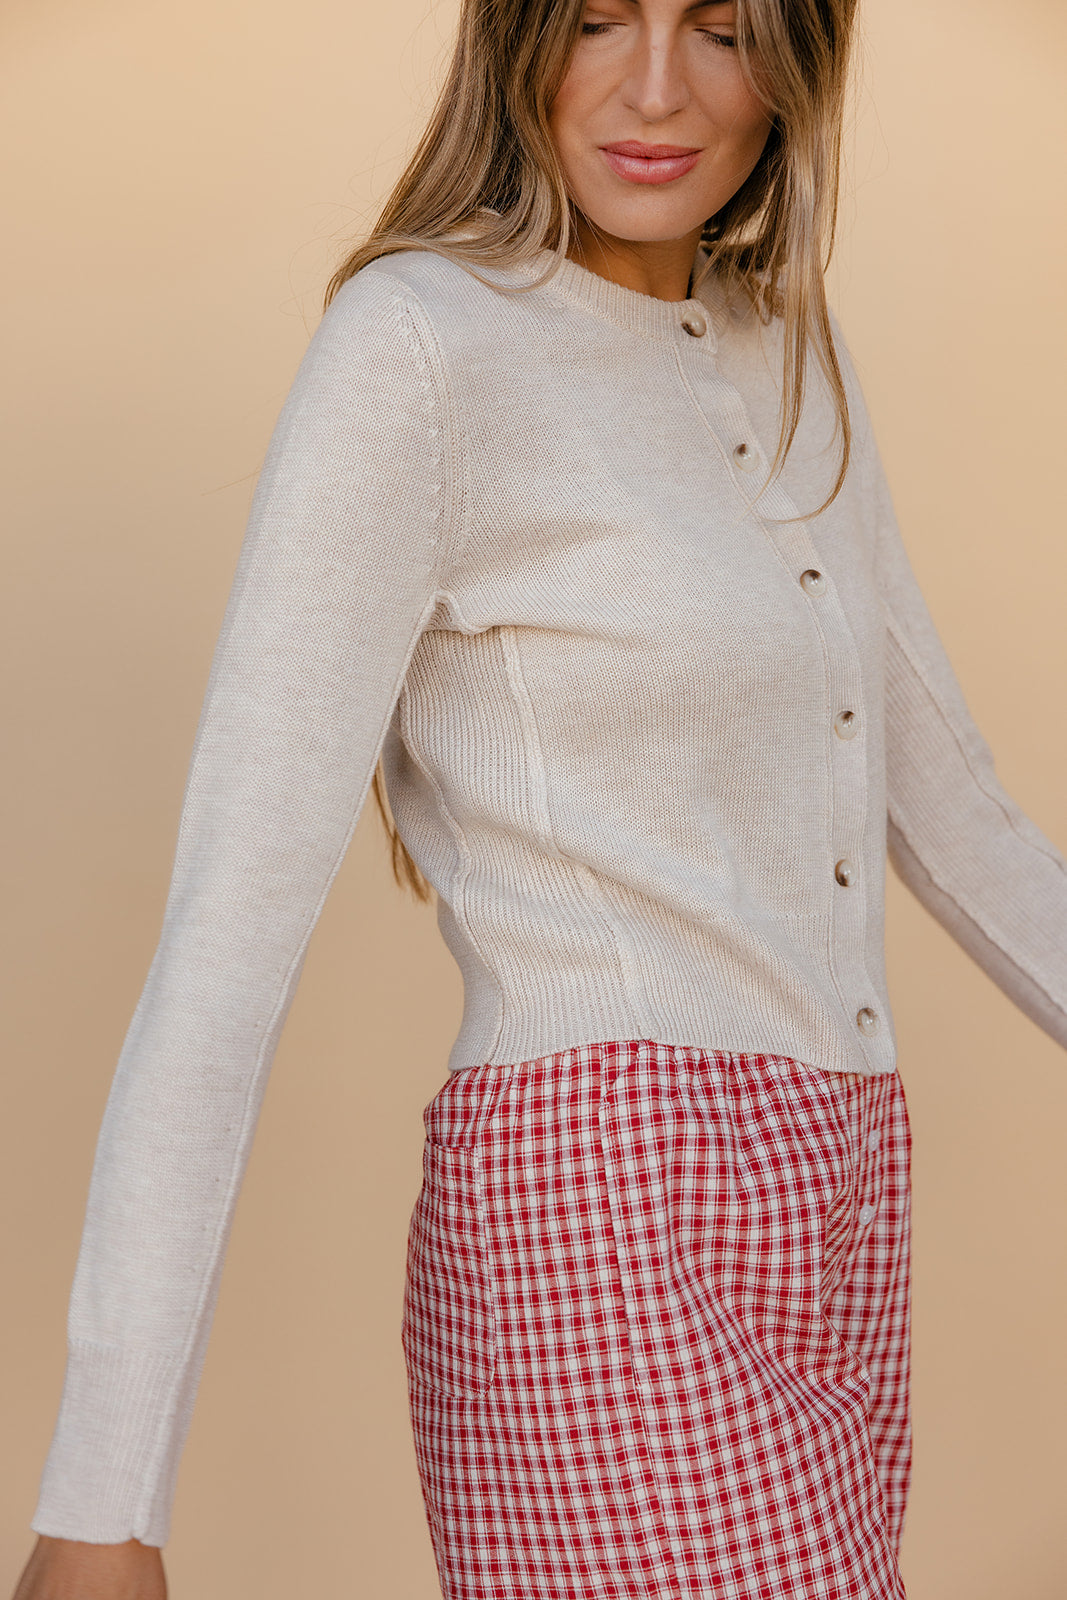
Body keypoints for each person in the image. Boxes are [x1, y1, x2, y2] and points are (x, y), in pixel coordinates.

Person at [13, 0, 1067, 1596]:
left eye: (718, 27)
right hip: (604, 1204)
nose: (657, 90)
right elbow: (229, 928)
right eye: (596, 20)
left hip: (845, 1196)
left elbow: (954, 808)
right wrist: (105, 1503)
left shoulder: (788, 346)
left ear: (797, 59)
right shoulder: (424, 347)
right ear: (514, 43)